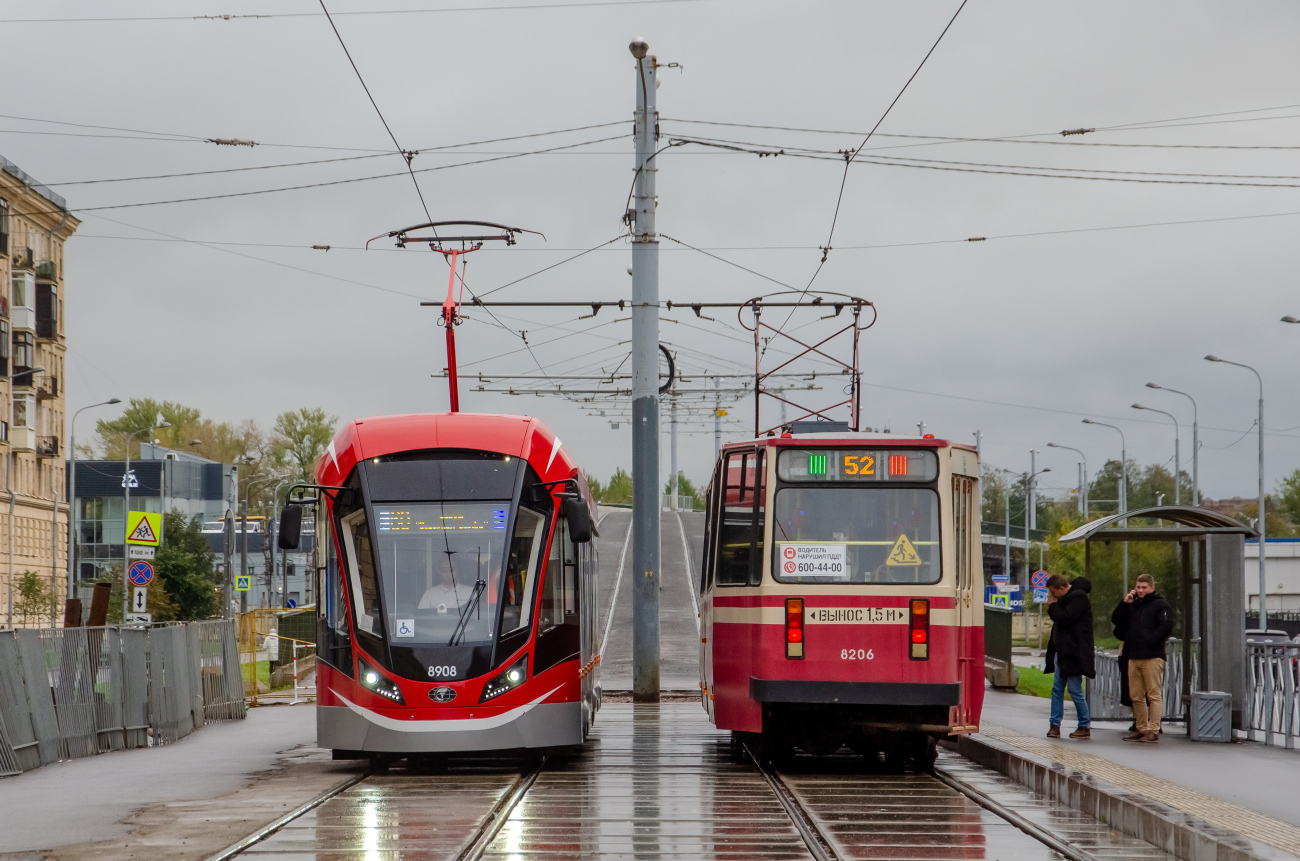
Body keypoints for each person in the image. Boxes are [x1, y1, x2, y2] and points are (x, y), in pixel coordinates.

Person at [1111, 573, 1173, 743]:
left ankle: (1153, 729)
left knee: (1153, 694)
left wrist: (1151, 640)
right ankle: (1141, 727)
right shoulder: (1133, 605)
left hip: (1152, 655)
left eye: (1144, 587)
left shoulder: (1160, 605)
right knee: (1136, 695)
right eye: (1138, 587)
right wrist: (1125, 603)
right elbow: (1116, 620)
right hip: (1133, 655)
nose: (1140, 590)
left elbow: (1166, 626)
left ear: (1152, 588)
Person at [1044, 574, 1095, 739]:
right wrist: (1053, 608)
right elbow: (1060, 618)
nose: (1052, 596)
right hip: (1063, 651)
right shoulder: (1067, 598)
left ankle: (1084, 725)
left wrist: (1052, 606)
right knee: (1057, 689)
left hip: (1073, 652)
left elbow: (1066, 618)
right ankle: (1054, 725)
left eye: (1053, 592)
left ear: (1061, 588)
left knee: (1074, 689)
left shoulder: (1077, 598)